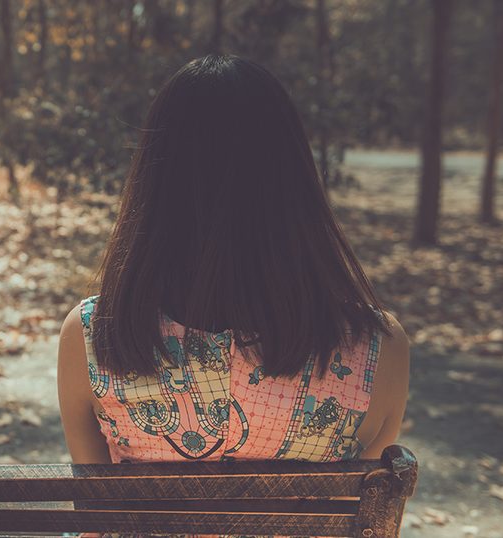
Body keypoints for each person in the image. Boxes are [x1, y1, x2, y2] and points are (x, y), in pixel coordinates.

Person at [56, 55, 410, 538]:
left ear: (154, 185)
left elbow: (95, 522)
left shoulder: (94, 336)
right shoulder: (379, 348)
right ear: (295, 183)